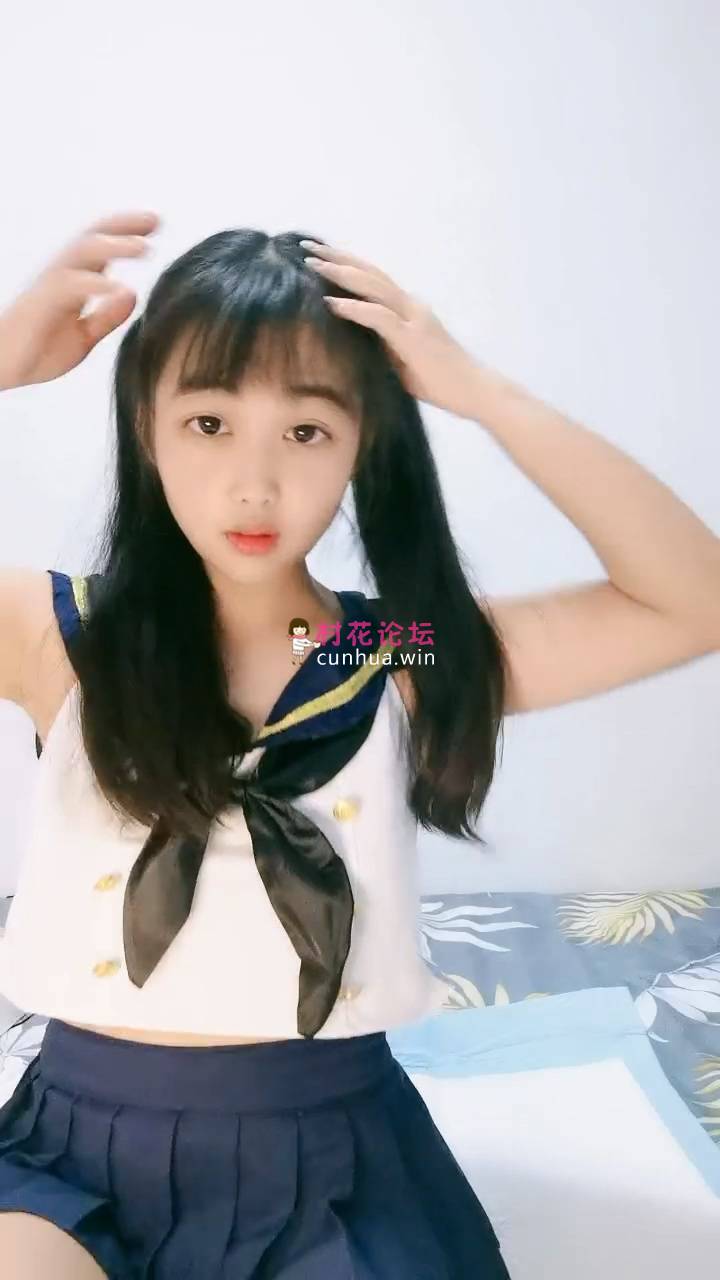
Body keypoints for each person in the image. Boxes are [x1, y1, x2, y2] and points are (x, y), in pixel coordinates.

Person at [0, 210, 717, 1280]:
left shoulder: (383, 649)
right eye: (208, 422)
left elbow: (692, 600)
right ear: (146, 426)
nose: (254, 483)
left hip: (325, 1157)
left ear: (361, 443)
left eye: (305, 431)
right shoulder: (64, 633)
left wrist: (483, 393)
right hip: (75, 1157)